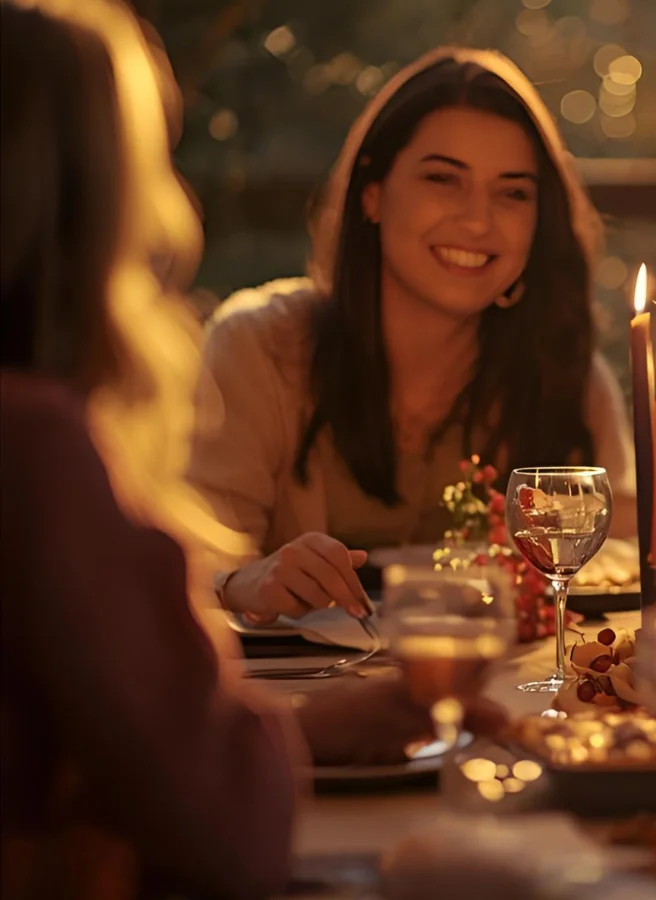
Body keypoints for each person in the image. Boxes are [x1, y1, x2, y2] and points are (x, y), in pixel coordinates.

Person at [0, 4, 501, 895]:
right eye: (150, 160)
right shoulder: (34, 448)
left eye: (512, 189)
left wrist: (299, 732)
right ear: (87, 189)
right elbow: (225, 831)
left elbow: (134, 743)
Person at [189, 47, 636, 625]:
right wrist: (243, 581)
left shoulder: (566, 375)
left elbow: (630, 562)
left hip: (513, 702)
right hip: (302, 709)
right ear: (372, 194)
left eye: (512, 193)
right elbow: (182, 566)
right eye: (443, 180)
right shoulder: (258, 346)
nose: (477, 221)